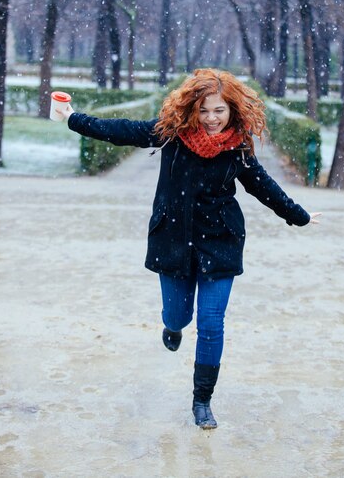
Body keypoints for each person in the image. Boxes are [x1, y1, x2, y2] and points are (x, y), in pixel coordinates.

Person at [57, 68, 321, 430]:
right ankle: (173, 326)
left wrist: (299, 215)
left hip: (220, 242)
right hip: (174, 239)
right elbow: (121, 131)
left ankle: (202, 401)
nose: (212, 119)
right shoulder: (171, 134)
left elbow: (263, 186)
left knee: (212, 324)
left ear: (232, 111)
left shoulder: (237, 148)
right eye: (205, 111)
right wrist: (73, 119)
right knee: (178, 316)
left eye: (220, 111)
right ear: (191, 109)